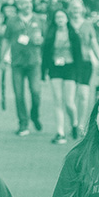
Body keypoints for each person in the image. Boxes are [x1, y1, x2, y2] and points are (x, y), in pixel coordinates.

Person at [0, 0, 45, 136]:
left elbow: (47, 39)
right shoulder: (12, 21)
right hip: (17, 63)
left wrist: (41, 40)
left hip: (34, 62)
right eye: (24, 3)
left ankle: (35, 115)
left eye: (29, 3)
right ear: (18, 6)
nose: (28, 5)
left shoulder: (39, 20)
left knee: (36, 92)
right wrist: (2, 59)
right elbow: (6, 40)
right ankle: (23, 123)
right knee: (19, 94)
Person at [42, 8, 82, 145]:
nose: (60, 20)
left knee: (69, 102)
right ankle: (60, 132)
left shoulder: (73, 34)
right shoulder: (51, 34)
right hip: (55, 68)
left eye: (62, 17)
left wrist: (79, 73)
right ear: (54, 20)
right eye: (57, 17)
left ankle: (74, 124)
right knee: (57, 100)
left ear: (67, 19)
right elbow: (45, 54)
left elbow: (79, 55)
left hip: (70, 68)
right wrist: (44, 72)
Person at [68, 0, 99, 135]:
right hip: (69, 64)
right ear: (69, 10)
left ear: (82, 10)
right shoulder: (67, 24)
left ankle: (81, 124)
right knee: (69, 99)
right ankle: (74, 121)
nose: (76, 11)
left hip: (85, 63)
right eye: (73, 8)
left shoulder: (88, 25)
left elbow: (93, 43)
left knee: (83, 95)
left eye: (78, 8)